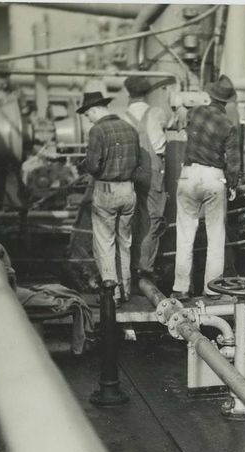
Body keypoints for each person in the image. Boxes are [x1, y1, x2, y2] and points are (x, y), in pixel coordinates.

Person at [172, 75, 240, 300]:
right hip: (214, 177)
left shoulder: (196, 113)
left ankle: (181, 288)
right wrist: (233, 185)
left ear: (210, 96)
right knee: (216, 237)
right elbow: (233, 163)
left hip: (189, 175)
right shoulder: (228, 126)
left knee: (184, 234)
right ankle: (211, 289)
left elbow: (183, 117)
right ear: (226, 102)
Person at [78, 91, 141, 305]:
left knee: (105, 243)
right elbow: (138, 161)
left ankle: (110, 296)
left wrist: (85, 165)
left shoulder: (98, 130)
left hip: (106, 191)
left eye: (88, 115)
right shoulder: (130, 128)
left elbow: (93, 165)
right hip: (129, 191)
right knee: (125, 242)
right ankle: (125, 291)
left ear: (94, 110)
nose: (88, 120)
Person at [123, 75, 169, 282]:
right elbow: (173, 121)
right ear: (147, 94)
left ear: (129, 95)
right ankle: (145, 266)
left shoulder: (123, 117)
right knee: (152, 218)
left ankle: (127, 267)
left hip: (129, 170)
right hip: (153, 168)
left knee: (129, 217)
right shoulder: (157, 113)